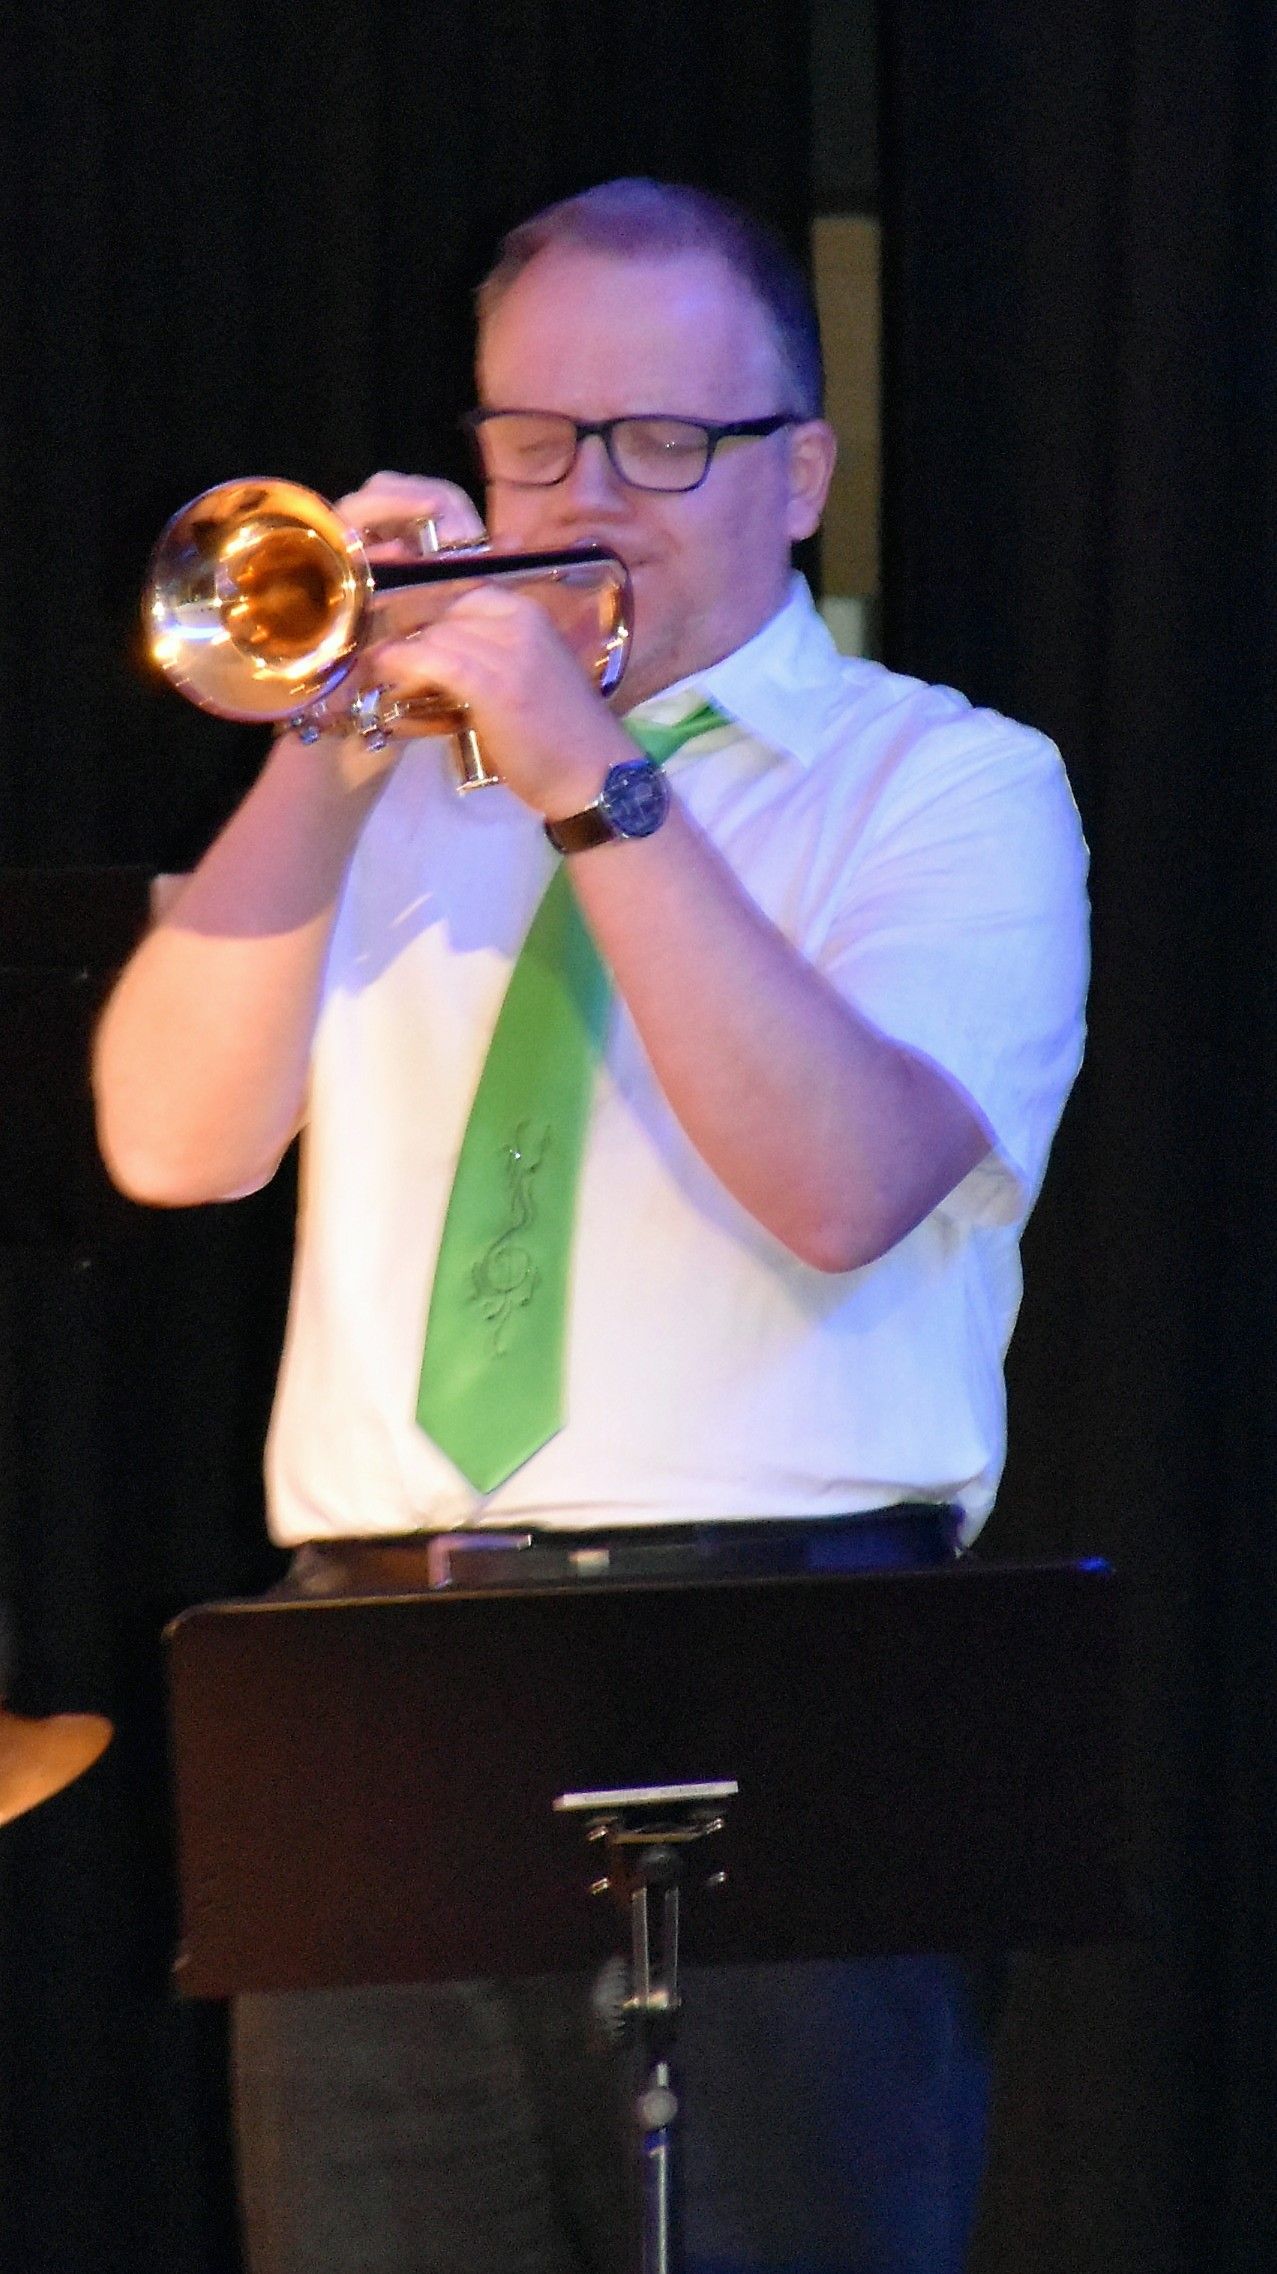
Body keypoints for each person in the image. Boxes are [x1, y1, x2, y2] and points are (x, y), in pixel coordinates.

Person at [93, 179, 1089, 2274]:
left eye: (661, 440)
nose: (586, 497)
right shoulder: (391, 780)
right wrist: (324, 747)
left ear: (800, 475)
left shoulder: (948, 784)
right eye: (534, 440)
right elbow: (168, 1142)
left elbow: (843, 1182)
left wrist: (588, 773)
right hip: (376, 1684)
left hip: (785, 1674)